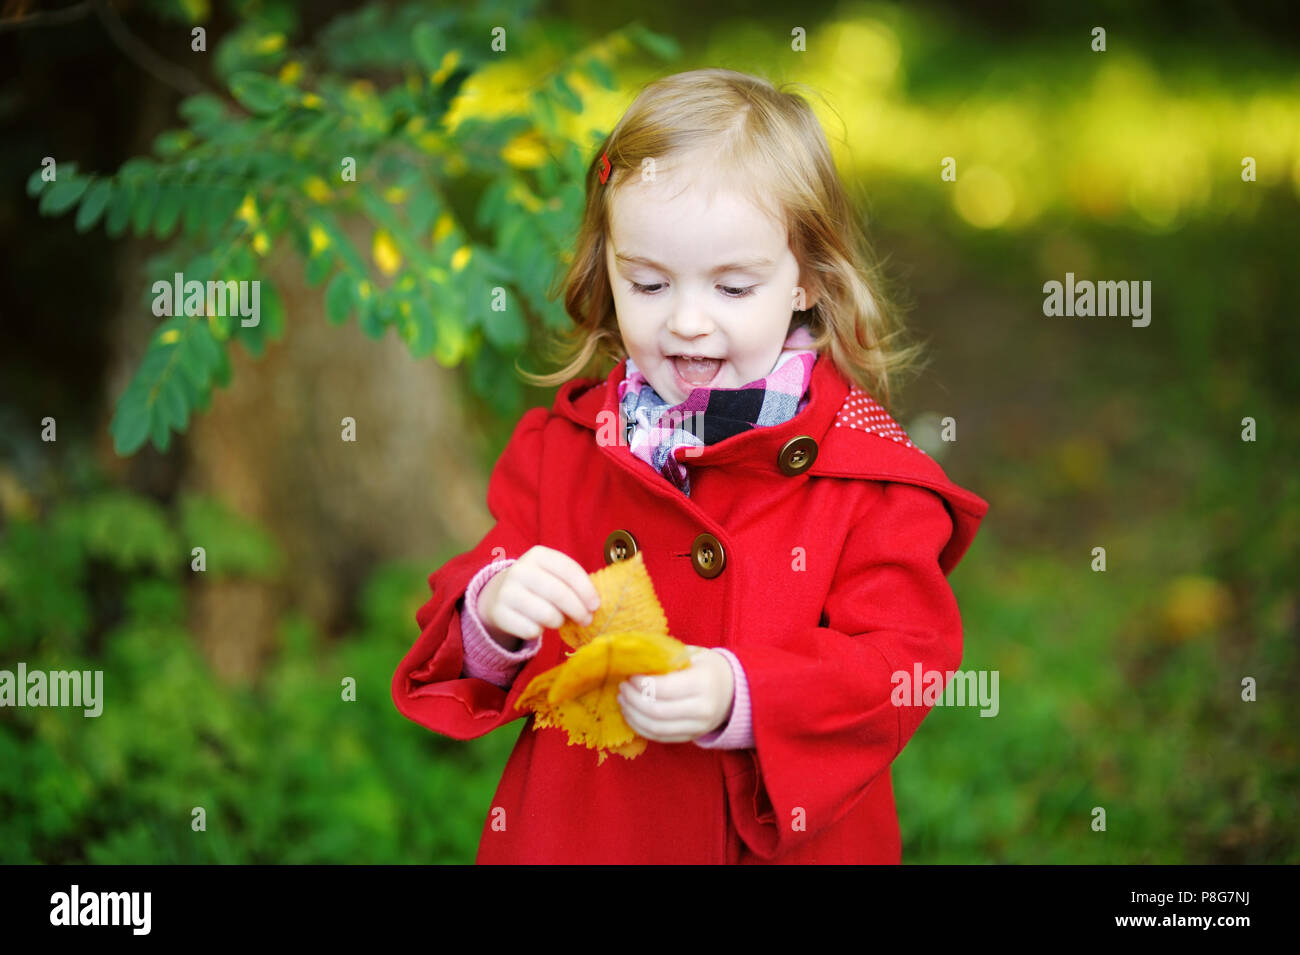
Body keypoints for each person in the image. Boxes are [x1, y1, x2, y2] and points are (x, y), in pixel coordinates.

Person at [391, 67, 989, 864]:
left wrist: (743, 695)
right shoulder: (565, 449)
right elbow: (467, 616)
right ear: (607, 271)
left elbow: (897, 661)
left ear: (808, 279)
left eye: (734, 286)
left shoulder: (866, 479)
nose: (687, 321)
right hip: (590, 832)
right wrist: (494, 608)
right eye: (648, 282)